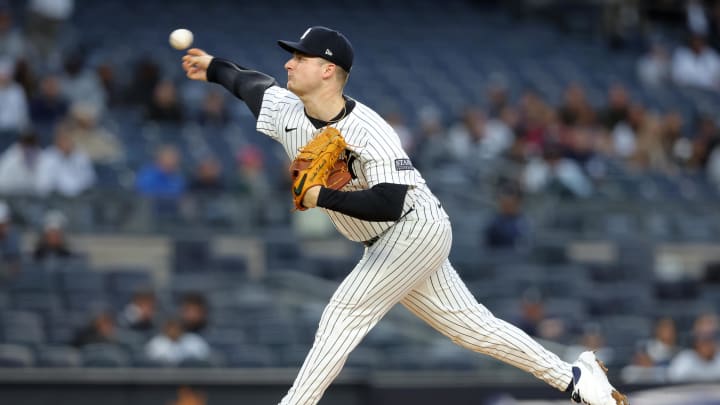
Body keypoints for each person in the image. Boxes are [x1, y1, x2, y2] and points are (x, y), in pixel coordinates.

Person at [181, 26, 628, 405]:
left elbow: (389, 203)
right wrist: (214, 67)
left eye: (299, 57)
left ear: (328, 70)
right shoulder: (286, 112)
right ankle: (576, 379)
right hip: (384, 243)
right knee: (472, 328)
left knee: (344, 312)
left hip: (415, 226)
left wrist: (319, 196)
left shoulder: (368, 129)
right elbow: (248, 83)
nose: (289, 64)